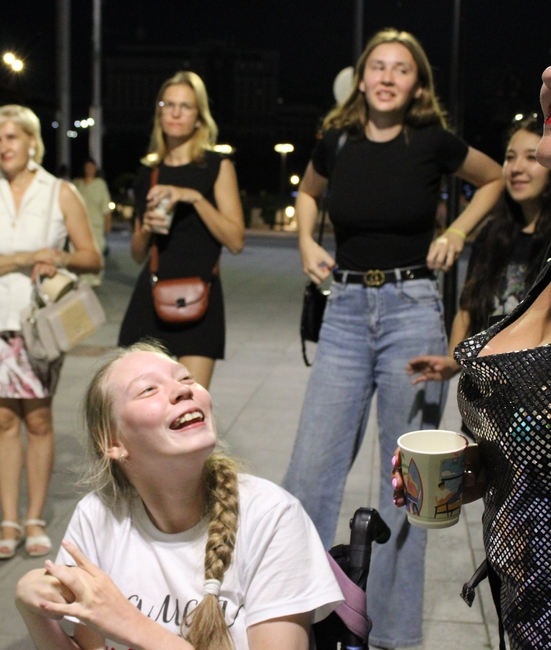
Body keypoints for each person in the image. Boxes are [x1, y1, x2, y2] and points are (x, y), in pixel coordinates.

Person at [281, 29, 504, 649]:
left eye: (400, 69)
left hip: (411, 309)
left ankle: (391, 633)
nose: (386, 77)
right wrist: (305, 240)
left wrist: (456, 231)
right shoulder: (336, 142)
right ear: (361, 79)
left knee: (411, 481)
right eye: (377, 66)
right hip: (346, 312)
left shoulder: (432, 141)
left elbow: (491, 179)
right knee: (309, 471)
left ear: (417, 85)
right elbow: (307, 192)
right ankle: (291, 615)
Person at [14, 342, 344, 650]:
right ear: (113, 442)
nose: (183, 389)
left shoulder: (271, 515)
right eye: (148, 389)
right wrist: (34, 612)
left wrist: (129, 623)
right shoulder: (98, 515)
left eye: (185, 378)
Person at [392, 65, 551, 650]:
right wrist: (481, 469)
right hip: (524, 581)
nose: (524, 163)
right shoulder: (500, 237)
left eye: (537, 148)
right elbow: (473, 308)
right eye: (513, 155)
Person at [0, 104, 103, 560]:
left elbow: (91, 256)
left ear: (32, 142)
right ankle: (8, 521)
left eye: (12, 137)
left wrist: (58, 257)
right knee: (4, 421)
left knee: (38, 420)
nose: (3, 147)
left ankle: (35, 518)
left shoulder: (60, 191)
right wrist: (24, 257)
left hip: (40, 324)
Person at [118, 71, 245, 389]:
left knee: (190, 405)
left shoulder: (217, 166)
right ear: (159, 112)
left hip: (200, 298)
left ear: (199, 117)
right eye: (168, 105)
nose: (175, 113)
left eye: (185, 106)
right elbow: (137, 254)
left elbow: (235, 241)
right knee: (141, 406)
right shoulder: (149, 172)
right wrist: (146, 228)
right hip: (151, 297)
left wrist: (194, 197)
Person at [407, 114, 551, 388]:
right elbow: (469, 307)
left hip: (540, 394)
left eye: (531, 158)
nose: (516, 168)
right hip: (490, 391)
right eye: (510, 158)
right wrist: (453, 361)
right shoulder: (493, 235)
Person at [73, 158, 112, 286]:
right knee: (79, 251)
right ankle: (82, 277)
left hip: (96, 225)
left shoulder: (100, 185)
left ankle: (95, 277)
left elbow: (106, 207)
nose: (90, 170)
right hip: (79, 226)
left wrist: (108, 225)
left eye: (92, 167)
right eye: (87, 167)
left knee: (97, 251)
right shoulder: (77, 184)